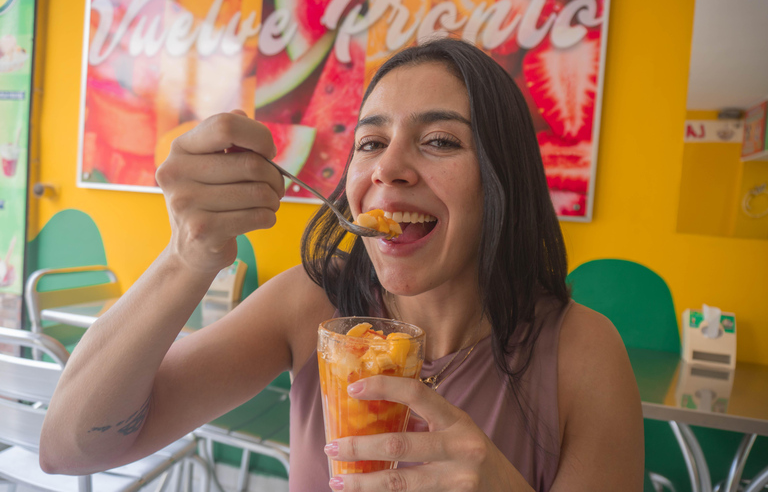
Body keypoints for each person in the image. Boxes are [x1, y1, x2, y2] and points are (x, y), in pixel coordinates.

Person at [40, 38, 643, 491]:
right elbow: (69, 447)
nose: (388, 168)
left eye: (439, 140)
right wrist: (187, 256)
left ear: (501, 179)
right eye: (371, 142)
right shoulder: (312, 304)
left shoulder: (583, 353)